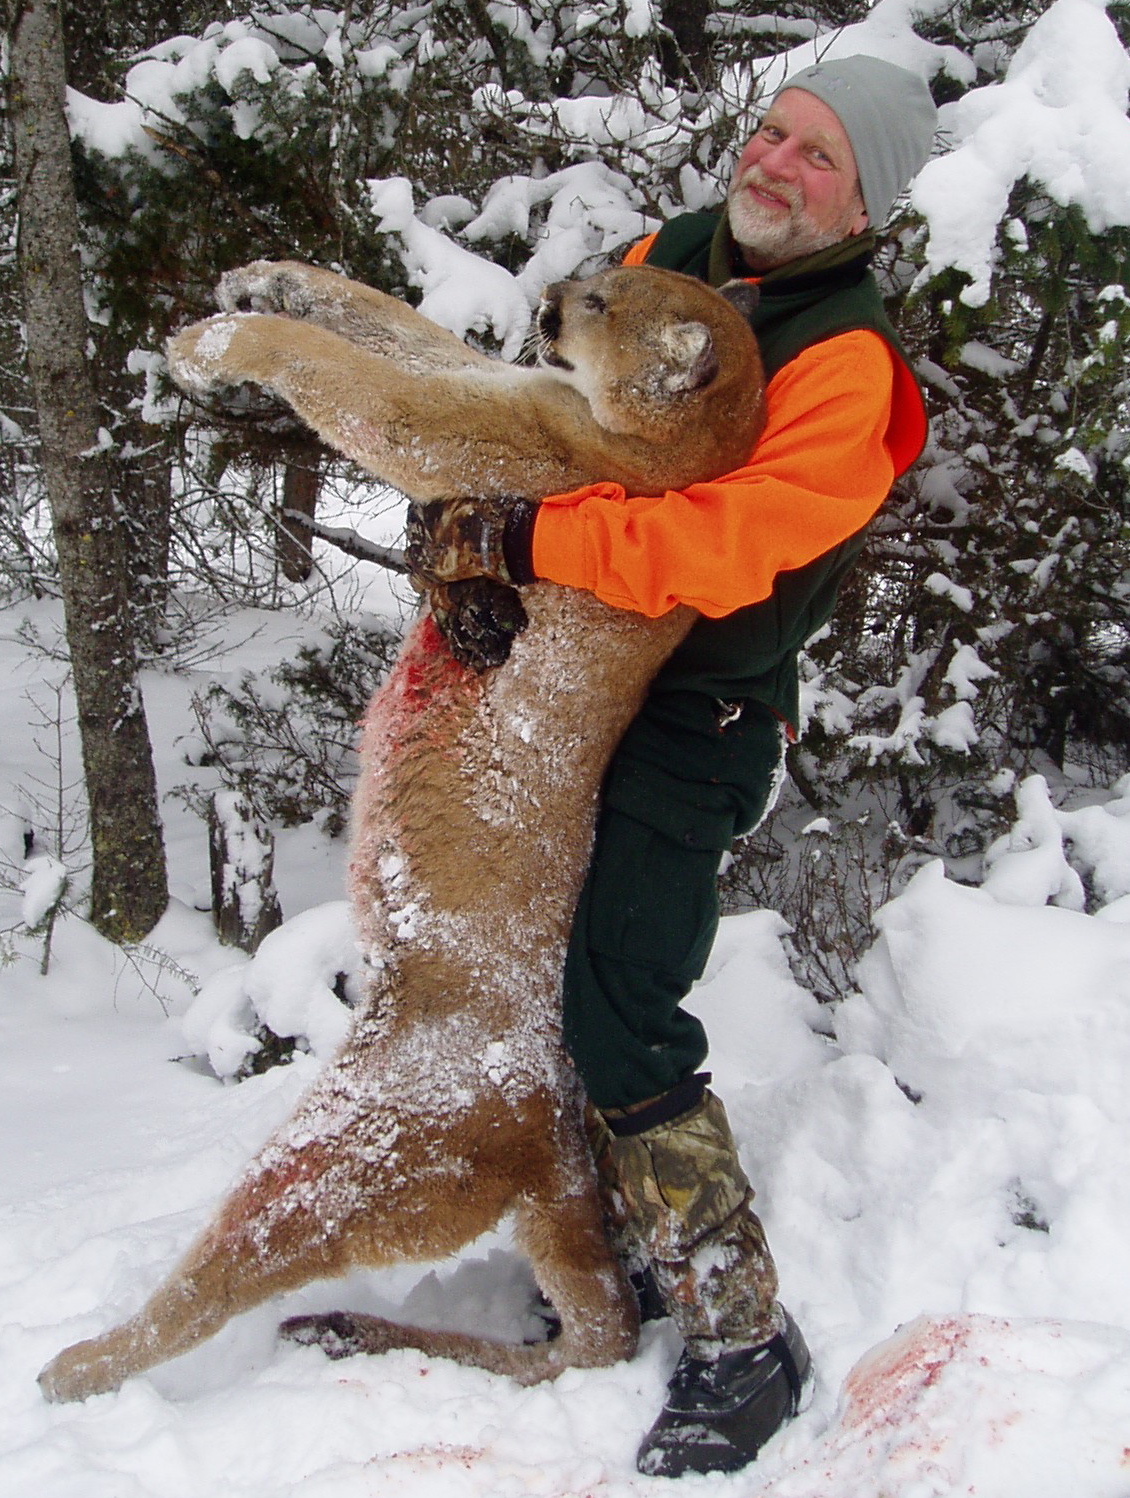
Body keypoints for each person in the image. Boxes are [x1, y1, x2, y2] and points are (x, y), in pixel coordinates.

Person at [408, 54, 937, 1479]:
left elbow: (727, 541)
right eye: (773, 130)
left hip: (698, 716)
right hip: (578, 672)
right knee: (546, 968)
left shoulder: (846, 362)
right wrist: (476, 518)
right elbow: (577, 419)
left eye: (818, 156)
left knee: (620, 1001)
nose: (774, 165)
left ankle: (739, 1330)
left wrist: (534, 542)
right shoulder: (672, 254)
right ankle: (626, 1250)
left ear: (865, 204)